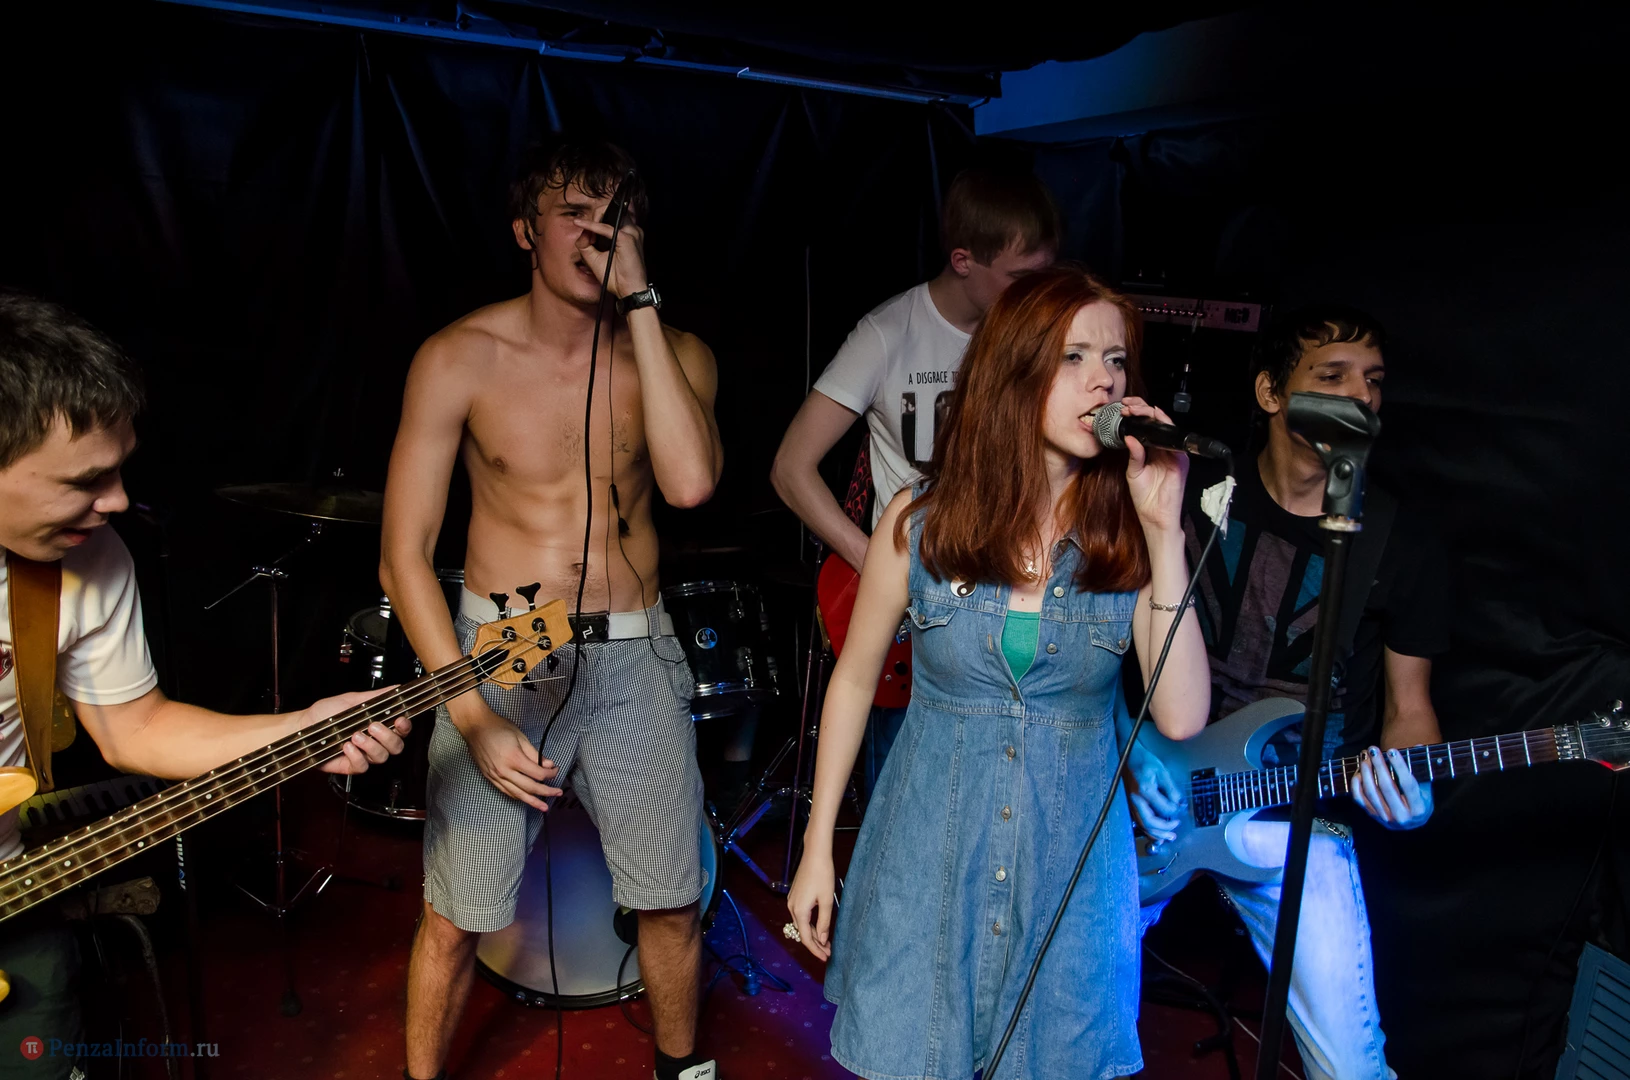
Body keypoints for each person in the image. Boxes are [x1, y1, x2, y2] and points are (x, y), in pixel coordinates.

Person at [785, 266, 1211, 1079]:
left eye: (1116, 360)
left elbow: (1183, 714)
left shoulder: (1131, 537)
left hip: (1070, 885)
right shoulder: (920, 523)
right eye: (1074, 357)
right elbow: (854, 680)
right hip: (927, 862)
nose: (1103, 380)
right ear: (1014, 371)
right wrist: (816, 847)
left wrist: (1165, 531)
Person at [0, 292, 410, 1080]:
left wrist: (305, 729)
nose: (118, 500)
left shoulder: (89, 559)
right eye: (86, 480)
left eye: (120, 468)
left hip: (17, 896)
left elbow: (136, 730)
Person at [381, 141, 723, 1080]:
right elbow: (402, 555)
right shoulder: (458, 356)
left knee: (670, 899)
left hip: (633, 650)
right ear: (525, 231)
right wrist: (469, 713)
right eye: (574, 212)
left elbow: (690, 485)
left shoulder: (678, 354)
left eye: (616, 214)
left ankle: (682, 1072)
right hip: (501, 647)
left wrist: (641, 303)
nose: (597, 233)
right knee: (456, 911)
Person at [1128, 307, 1447, 1080]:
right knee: (1067, 1016)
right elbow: (1098, 649)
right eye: (1331, 376)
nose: (1360, 397)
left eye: (1373, 381)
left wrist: (1414, 791)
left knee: (1353, 1069)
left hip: (1293, 818)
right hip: (1155, 793)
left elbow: (1409, 711)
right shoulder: (1193, 488)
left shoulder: (1400, 540)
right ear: (1271, 392)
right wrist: (1128, 755)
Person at [770, 167, 1059, 798]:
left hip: (1014, 601)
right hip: (920, 614)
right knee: (905, 798)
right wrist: (873, 561)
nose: (1035, 293)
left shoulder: (1039, 339)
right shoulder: (888, 332)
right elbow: (791, 469)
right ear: (963, 260)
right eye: (1019, 277)